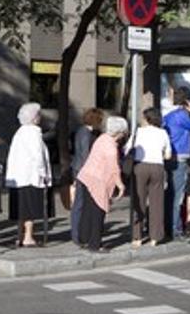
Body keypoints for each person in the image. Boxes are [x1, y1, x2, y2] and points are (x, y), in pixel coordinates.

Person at [75, 116, 128, 253]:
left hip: (86, 176)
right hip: (98, 180)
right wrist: (120, 185)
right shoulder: (111, 147)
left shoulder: (102, 138)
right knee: (98, 212)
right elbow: (113, 168)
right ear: (120, 132)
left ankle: (84, 239)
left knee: (87, 210)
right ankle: (95, 244)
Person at [5, 102, 53, 248]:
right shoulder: (34, 133)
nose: (40, 117)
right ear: (34, 117)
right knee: (29, 208)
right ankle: (28, 236)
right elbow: (38, 156)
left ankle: (19, 235)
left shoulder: (19, 132)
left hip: (18, 176)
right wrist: (43, 174)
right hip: (30, 176)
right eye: (38, 114)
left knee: (20, 208)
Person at [126, 107, 171, 247]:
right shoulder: (163, 133)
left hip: (140, 166)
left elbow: (127, 149)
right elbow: (168, 154)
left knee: (138, 201)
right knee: (157, 202)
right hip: (157, 167)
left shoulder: (138, 132)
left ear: (147, 118)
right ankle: (155, 237)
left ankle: (137, 237)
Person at [163, 87, 190, 237]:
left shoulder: (168, 116)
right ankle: (175, 229)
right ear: (187, 100)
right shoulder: (182, 116)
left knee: (169, 193)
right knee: (177, 195)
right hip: (180, 156)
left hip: (169, 156)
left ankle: (168, 226)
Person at [69, 108, 104, 246]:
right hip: (83, 171)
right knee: (80, 202)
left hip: (80, 169)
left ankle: (80, 233)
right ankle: (77, 234)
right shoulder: (85, 134)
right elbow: (85, 155)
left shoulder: (83, 131)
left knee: (80, 202)